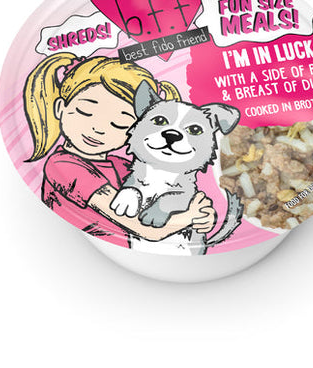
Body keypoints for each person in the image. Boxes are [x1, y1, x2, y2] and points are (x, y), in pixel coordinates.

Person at [23, 53, 216, 248]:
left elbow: (167, 195)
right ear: (59, 108)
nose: (99, 129)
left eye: (119, 123)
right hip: (76, 249)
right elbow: (146, 230)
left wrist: (203, 216)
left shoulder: (123, 165)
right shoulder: (64, 166)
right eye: (85, 112)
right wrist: (189, 217)